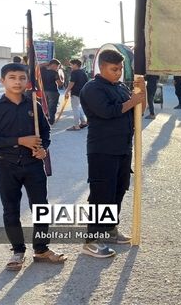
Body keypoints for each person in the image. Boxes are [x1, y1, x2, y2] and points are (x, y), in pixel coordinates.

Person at [0, 63, 67, 270]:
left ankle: (42, 249)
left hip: (33, 165)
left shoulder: (34, 106)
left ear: (27, 80)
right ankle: (18, 251)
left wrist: (43, 149)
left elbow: (45, 133)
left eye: (21, 78)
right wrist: (20, 140)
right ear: (3, 81)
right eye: (12, 77)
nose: (17, 82)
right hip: (6, 166)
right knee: (10, 209)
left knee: (40, 208)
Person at [79, 49, 146, 258]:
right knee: (101, 194)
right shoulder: (92, 88)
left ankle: (108, 230)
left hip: (123, 147)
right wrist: (133, 101)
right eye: (113, 69)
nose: (118, 73)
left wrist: (141, 92)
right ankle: (91, 239)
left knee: (119, 189)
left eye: (120, 69)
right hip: (102, 149)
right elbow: (108, 112)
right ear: (102, 67)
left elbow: (139, 111)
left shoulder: (121, 87)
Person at [64, 59, 89, 130]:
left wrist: (67, 91)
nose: (70, 66)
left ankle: (76, 126)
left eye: (71, 64)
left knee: (75, 109)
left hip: (75, 93)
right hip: (82, 93)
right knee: (78, 108)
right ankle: (83, 122)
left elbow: (72, 82)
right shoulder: (83, 72)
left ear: (75, 64)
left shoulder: (74, 72)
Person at [40, 59, 63, 125]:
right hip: (53, 91)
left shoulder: (42, 70)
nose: (57, 68)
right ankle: (51, 121)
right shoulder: (54, 73)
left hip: (43, 91)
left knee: (44, 106)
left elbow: (36, 67)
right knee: (52, 107)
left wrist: (45, 64)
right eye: (57, 66)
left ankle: (45, 119)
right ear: (54, 65)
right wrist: (62, 80)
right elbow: (59, 83)